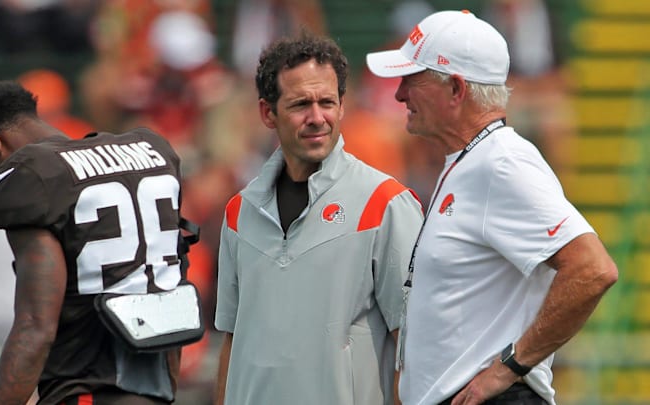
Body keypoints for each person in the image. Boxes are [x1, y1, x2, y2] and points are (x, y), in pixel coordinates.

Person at [365, 10, 618, 405]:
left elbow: (593, 269)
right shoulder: (476, 159)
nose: (399, 94)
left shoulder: (501, 161)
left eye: (413, 80)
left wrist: (509, 368)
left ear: (456, 89)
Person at [0, 80, 194, 404]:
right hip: (153, 390)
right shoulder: (151, 150)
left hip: (84, 390)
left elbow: (35, 326)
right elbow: (172, 290)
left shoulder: (29, 177)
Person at [214, 32, 424, 405]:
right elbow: (233, 340)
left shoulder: (387, 203)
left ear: (343, 106)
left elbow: (414, 348)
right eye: (300, 105)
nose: (317, 118)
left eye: (327, 102)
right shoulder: (238, 212)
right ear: (267, 113)